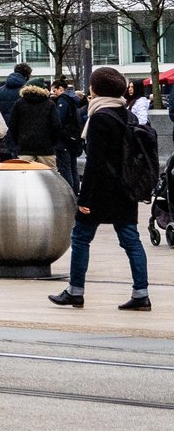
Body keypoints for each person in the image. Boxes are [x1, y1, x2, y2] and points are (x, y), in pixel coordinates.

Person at [50, 65, 152, 312]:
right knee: (130, 239)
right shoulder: (126, 115)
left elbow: (95, 161)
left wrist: (85, 197)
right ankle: (141, 293)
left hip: (102, 189)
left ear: (98, 89)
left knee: (81, 237)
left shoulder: (100, 117)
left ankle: (75, 291)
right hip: (125, 188)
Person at [10, 78, 58, 170]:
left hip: (25, 147)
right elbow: (56, 125)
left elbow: (12, 125)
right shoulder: (50, 104)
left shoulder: (19, 103)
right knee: (50, 177)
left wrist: (18, 141)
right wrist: (52, 142)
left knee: (25, 177)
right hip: (46, 148)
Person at [52, 77, 85, 189]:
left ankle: (69, 194)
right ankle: (75, 192)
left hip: (64, 139)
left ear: (60, 88)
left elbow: (59, 119)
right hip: (72, 139)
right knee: (73, 167)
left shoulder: (63, 100)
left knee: (66, 169)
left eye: (54, 90)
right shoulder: (73, 99)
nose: (53, 93)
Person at [0, 62, 31, 160]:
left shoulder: (0, 91)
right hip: (21, 134)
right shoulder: (26, 91)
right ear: (27, 76)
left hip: (3, 132)